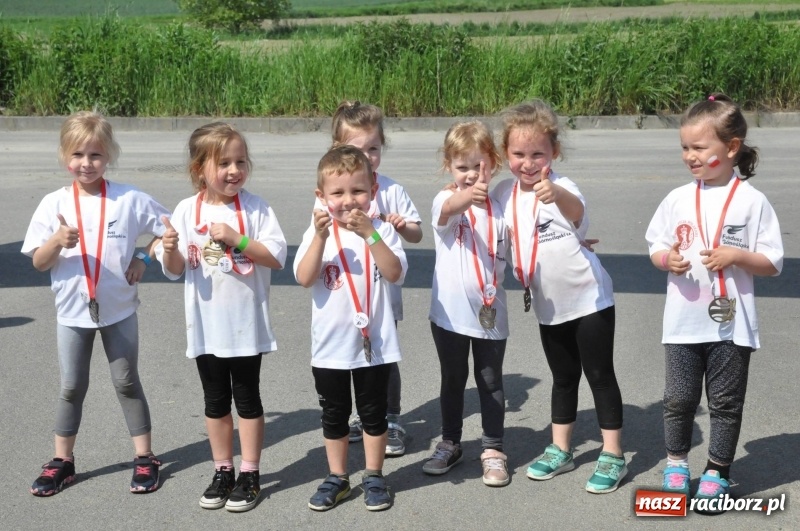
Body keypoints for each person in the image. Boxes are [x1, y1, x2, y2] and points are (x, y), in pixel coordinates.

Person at [645, 94, 783, 513]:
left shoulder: (751, 201)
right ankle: (675, 465)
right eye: (685, 148)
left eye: (699, 148)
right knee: (679, 399)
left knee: (724, 403)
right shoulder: (677, 199)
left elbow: (772, 262)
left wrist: (737, 256)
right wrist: (665, 259)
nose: (690, 156)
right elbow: (656, 245)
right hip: (683, 322)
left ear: (732, 147)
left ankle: (717, 472)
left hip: (731, 324)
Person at [22, 110, 168, 496]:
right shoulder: (53, 204)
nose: (86, 164)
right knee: (71, 387)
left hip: (118, 309)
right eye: (78, 155)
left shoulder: (129, 199)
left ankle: (145, 458)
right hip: (71, 313)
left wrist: (144, 258)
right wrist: (55, 241)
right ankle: (62, 461)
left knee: (126, 382)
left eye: (96, 155)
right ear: (64, 155)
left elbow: (171, 229)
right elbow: (38, 262)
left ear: (109, 156)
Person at [492, 100, 626, 494]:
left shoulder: (561, 187)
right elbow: (484, 214)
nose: (528, 163)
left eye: (538, 154)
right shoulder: (504, 193)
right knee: (563, 378)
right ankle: (561, 449)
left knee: (600, 375)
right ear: (506, 155)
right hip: (549, 306)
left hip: (589, 299)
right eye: (518, 154)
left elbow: (579, 212)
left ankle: (613, 454)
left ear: (554, 153)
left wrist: (556, 197)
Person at [156, 122, 287, 513]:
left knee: (247, 399)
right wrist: (169, 248)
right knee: (215, 402)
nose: (234, 171)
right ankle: (223, 469)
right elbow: (177, 268)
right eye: (224, 163)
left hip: (246, 326)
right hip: (207, 328)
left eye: (240, 161)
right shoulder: (186, 209)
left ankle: (250, 471)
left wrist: (238, 238)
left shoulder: (257, 207)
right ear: (200, 169)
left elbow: (276, 257)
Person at [294, 145, 407, 512]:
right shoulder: (318, 235)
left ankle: (374, 474)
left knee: (374, 413)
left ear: (372, 191)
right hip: (330, 348)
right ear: (321, 197)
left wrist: (371, 234)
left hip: (374, 345)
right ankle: (337, 476)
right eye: (337, 193)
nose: (348, 200)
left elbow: (394, 273)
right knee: (334, 414)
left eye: (357, 191)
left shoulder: (383, 231)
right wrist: (320, 238)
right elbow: (303, 277)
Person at [328, 101, 422, 457]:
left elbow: (415, 235)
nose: (367, 156)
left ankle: (392, 418)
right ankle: (365, 417)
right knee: (353, 354)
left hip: (382, 293)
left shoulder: (392, 189)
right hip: (347, 294)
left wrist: (402, 226)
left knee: (383, 357)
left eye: (374, 148)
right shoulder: (333, 192)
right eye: (357, 149)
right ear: (338, 149)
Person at [423, 121, 511, 487]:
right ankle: (450, 442)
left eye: (479, 165)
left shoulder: (503, 202)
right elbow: (449, 209)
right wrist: (465, 194)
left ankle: (492, 449)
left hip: (491, 314)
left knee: (490, 382)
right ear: (449, 167)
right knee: (453, 379)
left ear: (493, 162)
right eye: (462, 167)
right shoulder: (445, 199)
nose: (472, 174)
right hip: (449, 316)